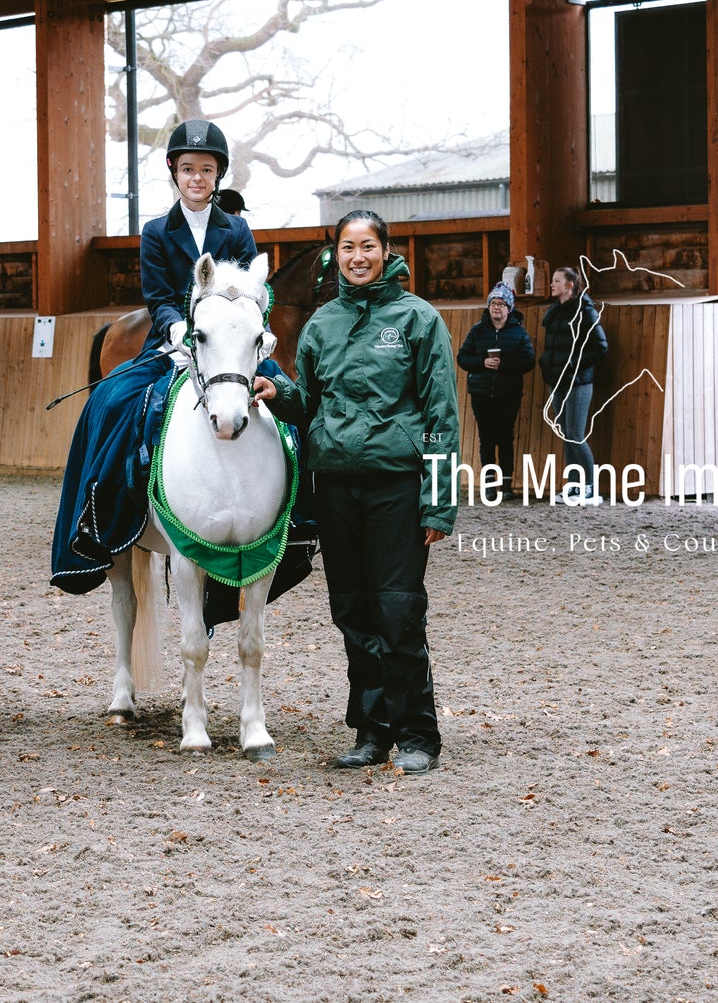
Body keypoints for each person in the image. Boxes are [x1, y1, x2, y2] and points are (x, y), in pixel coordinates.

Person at [252, 211, 458, 774]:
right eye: (348, 248)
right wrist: (280, 393)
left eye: (368, 246)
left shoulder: (418, 320)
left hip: (396, 486)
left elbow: (441, 413)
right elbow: (311, 404)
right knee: (352, 611)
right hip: (336, 487)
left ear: (386, 251)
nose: (358, 257)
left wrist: (438, 499)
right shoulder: (322, 325)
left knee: (397, 609)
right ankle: (372, 732)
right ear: (336, 255)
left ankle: (418, 733)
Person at [51, 120, 266, 590]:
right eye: (188, 169)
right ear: (174, 171)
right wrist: (177, 325)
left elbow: (253, 290)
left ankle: (299, 524)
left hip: (229, 347)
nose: (197, 178)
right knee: (112, 402)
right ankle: (98, 514)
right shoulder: (155, 232)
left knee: (284, 401)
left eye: (206, 170)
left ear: (218, 175)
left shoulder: (237, 230)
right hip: (172, 342)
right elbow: (157, 295)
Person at [455, 281, 535, 499]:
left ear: (509, 308)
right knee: (486, 439)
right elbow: (462, 357)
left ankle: (507, 484)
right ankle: (490, 485)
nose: (496, 307)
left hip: (508, 393)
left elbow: (528, 361)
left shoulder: (519, 333)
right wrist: (482, 363)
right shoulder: (477, 331)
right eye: (493, 303)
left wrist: (504, 364)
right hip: (481, 393)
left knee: (506, 437)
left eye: (501, 304)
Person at [539, 265, 608, 505]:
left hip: (578, 382)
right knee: (566, 435)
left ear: (569, 285)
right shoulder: (555, 312)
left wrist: (573, 366)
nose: (552, 284)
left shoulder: (585, 312)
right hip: (557, 380)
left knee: (576, 435)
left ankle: (591, 487)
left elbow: (600, 346)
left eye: (557, 281)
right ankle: (575, 485)